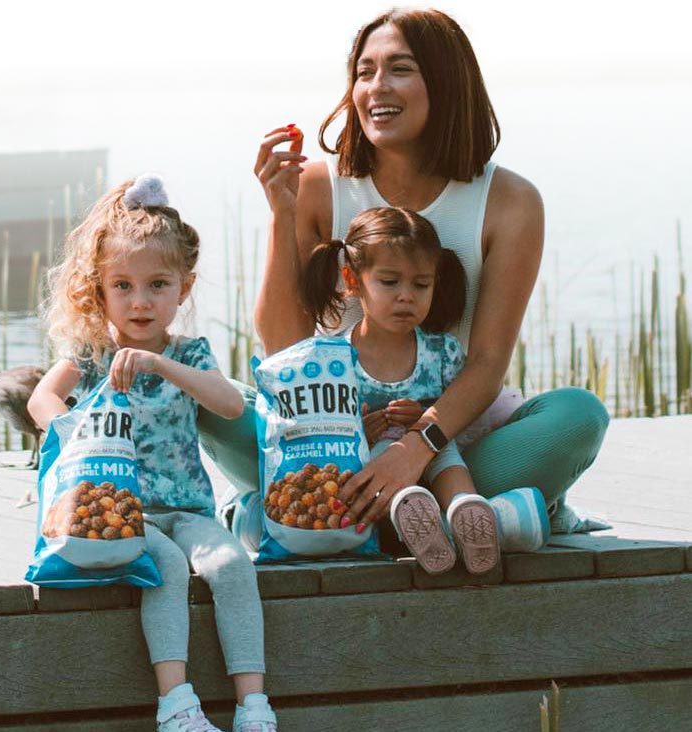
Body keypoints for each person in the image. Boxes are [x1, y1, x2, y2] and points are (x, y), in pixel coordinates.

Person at [200, 7, 608, 544]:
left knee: (580, 415)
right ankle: (469, 516)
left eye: (399, 69)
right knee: (202, 396)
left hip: (444, 439)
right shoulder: (320, 187)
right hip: (323, 437)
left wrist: (413, 449)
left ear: (445, 80)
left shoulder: (511, 203)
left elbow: (486, 364)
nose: (376, 87)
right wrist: (283, 214)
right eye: (364, 72)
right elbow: (283, 346)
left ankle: (335, 513)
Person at [28, 175, 278, 732]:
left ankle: (253, 704)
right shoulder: (93, 353)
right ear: (101, 290)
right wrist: (73, 433)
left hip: (188, 507)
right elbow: (43, 396)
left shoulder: (188, 352)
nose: (140, 301)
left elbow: (230, 405)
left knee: (232, 564)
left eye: (157, 285)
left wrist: (162, 365)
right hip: (122, 510)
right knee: (162, 568)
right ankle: (177, 704)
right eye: (123, 286)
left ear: (182, 289)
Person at [299, 206, 500, 574]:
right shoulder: (331, 358)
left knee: (443, 444)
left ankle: (464, 510)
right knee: (375, 454)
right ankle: (411, 516)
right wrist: (357, 427)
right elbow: (323, 427)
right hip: (370, 467)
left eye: (420, 285)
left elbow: (457, 413)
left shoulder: (442, 352)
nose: (406, 296)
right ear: (353, 280)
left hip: (427, 452)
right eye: (389, 283)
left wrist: (423, 418)